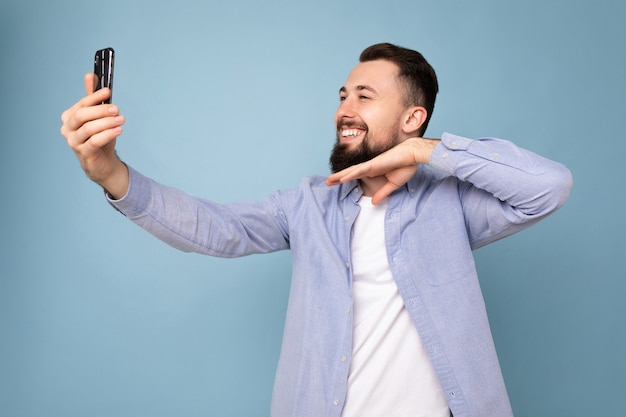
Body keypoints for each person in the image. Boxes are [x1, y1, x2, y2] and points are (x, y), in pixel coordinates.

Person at [60, 43, 573, 417]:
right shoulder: (308, 204)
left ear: (412, 117)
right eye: (344, 94)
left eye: (365, 96)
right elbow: (215, 229)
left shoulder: (451, 205)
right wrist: (111, 173)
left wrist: (427, 150)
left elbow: (548, 186)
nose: (345, 110)